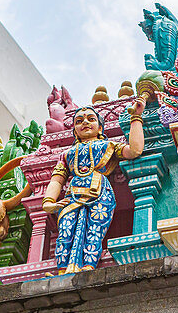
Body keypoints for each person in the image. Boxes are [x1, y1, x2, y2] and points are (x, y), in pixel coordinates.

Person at [42, 97, 146, 273]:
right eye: (79, 121)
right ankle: (62, 270)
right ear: (74, 130)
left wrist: (136, 117)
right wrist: (48, 201)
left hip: (99, 193)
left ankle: (88, 267)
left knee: (94, 229)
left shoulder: (108, 146)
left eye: (91, 119)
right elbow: (57, 179)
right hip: (71, 196)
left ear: (100, 127)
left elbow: (134, 150)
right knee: (66, 230)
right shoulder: (67, 154)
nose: (85, 123)